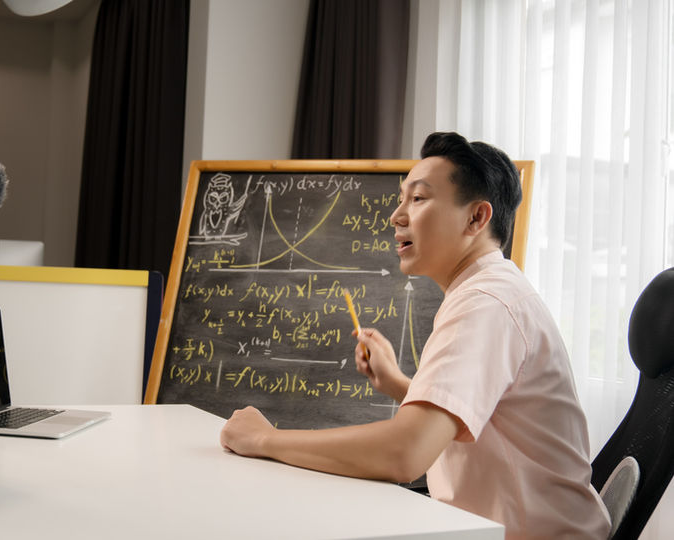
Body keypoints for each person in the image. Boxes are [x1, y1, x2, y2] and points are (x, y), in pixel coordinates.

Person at [220, 132, 611, 539]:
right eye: (401, 198)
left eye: (419, 199)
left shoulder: (485, 302)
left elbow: (405, 453)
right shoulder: (490, 288)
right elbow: (484, 421)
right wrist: (399, 385)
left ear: (476, 218)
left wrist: (264, 439)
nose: (396, 215)